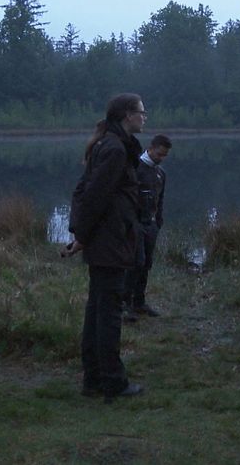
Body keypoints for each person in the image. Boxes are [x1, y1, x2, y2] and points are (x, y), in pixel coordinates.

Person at [64, 93, 146, 402]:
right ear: (127, 115)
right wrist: (81, 236)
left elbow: (82, 190)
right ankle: (112, 381)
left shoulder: (107, 145)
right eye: (142, 112)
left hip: (105, 240)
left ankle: (94, 379)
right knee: (108, 313)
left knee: (97, 310)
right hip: (109, 241)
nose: (144, 117)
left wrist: (79, 234)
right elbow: (92, 195)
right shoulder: (113, 149)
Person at [123, 133, 172, 320]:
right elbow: (126, 199)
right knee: (136, 263)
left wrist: (158, 222)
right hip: (135, 224)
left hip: (151, 225)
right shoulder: (135, 169)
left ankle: (139, 302)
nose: (161, 158)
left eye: (164, 155)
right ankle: (124, 303)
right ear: (150, 148)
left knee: (146, 264)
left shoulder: (161, 174)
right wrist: (131, 223)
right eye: (159, 154)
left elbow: (161, 199)